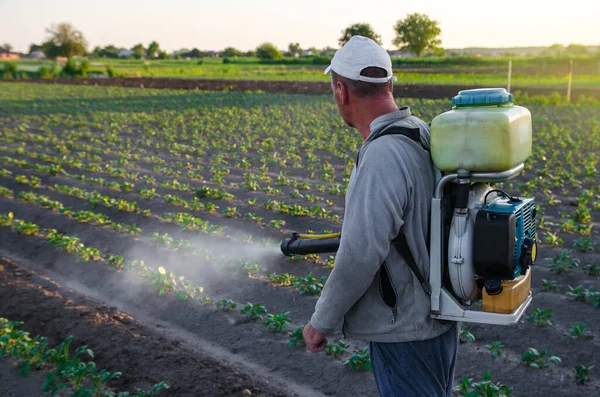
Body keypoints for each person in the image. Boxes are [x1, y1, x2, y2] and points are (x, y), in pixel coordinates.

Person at [302, 35, 459, 397]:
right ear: (389, 85)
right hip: (438, 316)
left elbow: (361, 254)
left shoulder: (382, 156)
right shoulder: (421, 132)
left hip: (405, 327)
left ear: (341, 91)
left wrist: (321, 321)